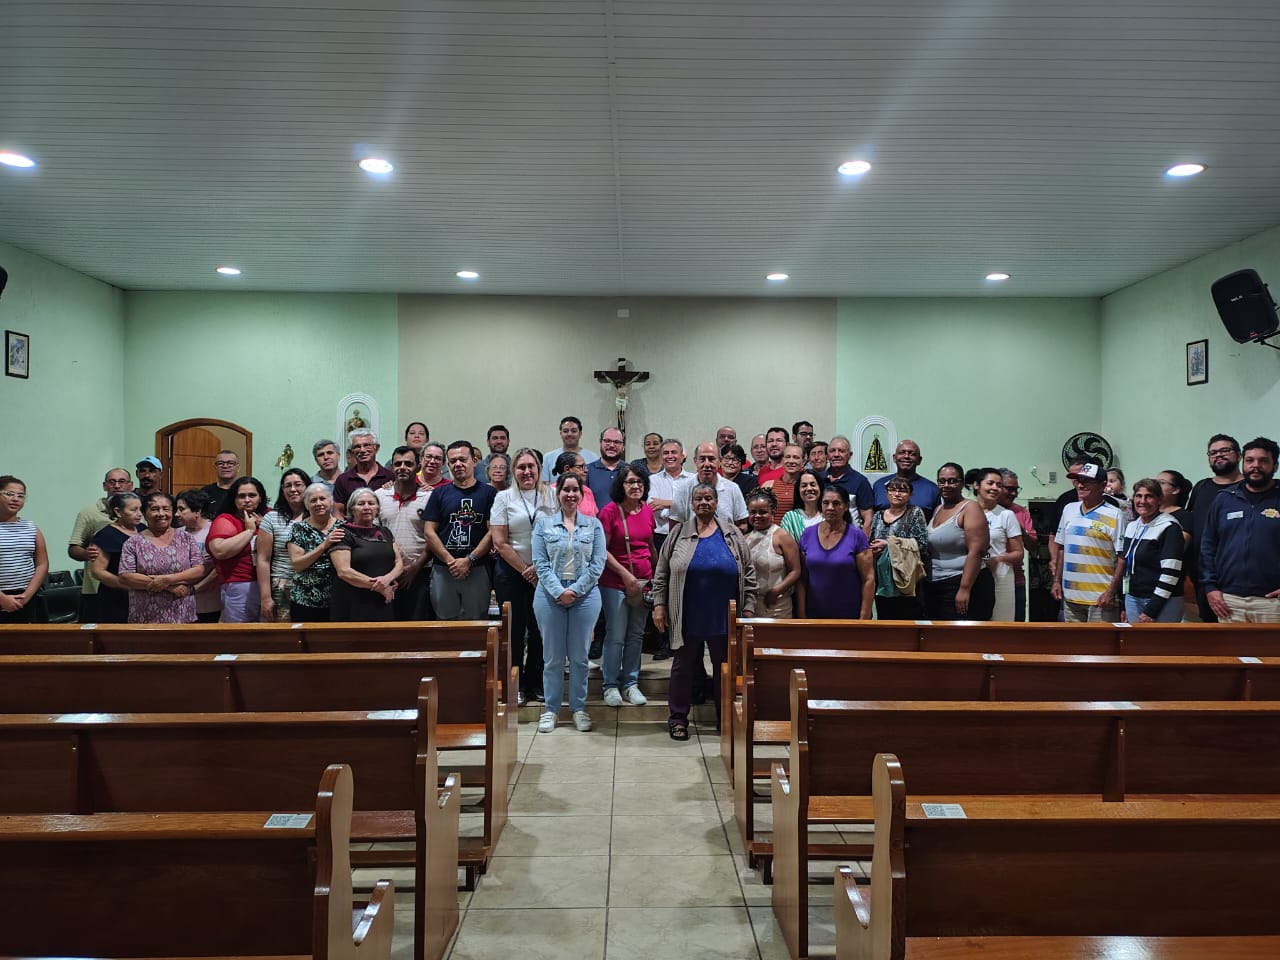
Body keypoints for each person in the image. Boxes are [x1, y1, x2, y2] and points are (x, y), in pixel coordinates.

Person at [652, 481, 756, 740]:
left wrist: (749, 611)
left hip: (725, 617)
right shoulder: (678, 535)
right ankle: (678, 718)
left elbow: (749, 574)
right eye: (698, 499)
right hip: (687, 614)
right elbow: (662, 573)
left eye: (708, 498)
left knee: (726, 670)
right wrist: (659, 605)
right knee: (682, 668)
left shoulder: (732, 534)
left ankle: (726, 719)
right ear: (691, 504)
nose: (704, 503)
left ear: (717, 502)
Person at [532, 472, 606, 733]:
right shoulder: (543, 525)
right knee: (552, 658)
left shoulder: (594, 525)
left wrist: (575, 590)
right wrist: (558, 591)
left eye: (576, 490)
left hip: (584, 595)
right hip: (549, 595)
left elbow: (598, 564)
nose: (571, 495)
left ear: (582, 494)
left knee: (579, 657)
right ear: (558, 493)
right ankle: (551, 709)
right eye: (566, 490)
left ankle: (578, 708)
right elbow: (540, 564)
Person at [491, 448, 557, 705]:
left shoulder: (551, 496)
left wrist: (539, 569)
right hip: (512, 572)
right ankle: (515, 685)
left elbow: (559, 532)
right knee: (514, 630)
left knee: (541, 629)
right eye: (521, 467)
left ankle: (536, 683)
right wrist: (525, 569)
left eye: (531, 466)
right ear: (513, 471)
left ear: (539, 469)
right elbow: (499, 540)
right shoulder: (503, 498)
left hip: (545, 571)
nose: (527, 472)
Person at [1200, 437, 1280, 623]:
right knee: (1233, 653)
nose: (1256, 465)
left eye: (1263, 461)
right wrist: (1210, 588)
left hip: (1272, 603)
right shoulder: (1224, 499)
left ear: (1275, 466)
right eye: (1250, 460)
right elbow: (1208, 547)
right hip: (1229, 601)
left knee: (1272, 653)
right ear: (1243, 462)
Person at [597, 465, 657, 708]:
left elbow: (650, 546)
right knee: (616, 635)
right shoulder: (610, 512)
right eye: (630, 482)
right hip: (615, 582)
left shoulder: (647, 512)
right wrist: (624, 575)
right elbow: (602, 550)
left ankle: (631, 683)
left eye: (640, 482)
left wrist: (657, 578)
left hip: (643, 582)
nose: (636, 486)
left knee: (636, 635)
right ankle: (610, 685)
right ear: (620, 485)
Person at [422, 441, 497, 620]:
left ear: (474, 460)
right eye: (453, 461)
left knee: (476, 624)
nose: (458, 464)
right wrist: (451, 561)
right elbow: (429, 531)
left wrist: (469, 560)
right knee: (445, 625)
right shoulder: (439, 494)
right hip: (444, 569)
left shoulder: (489, 493)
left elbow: (493, 531)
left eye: (463, 459)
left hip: (477, 568)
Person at [1052, 459, 1126, 623]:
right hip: (1070, 596)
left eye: (1087, 481)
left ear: (1102, 485)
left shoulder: (1115, 514)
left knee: (1099, 647)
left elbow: (1122, 557)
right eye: (1078, 481)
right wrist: (1056, 581)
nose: (1080, 485)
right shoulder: (1069, 509)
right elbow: (1062, 547)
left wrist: (1111, 591)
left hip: (1100, 598)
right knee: (1074, 646)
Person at [118, 491, 207, 623]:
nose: (161, 514)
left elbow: (199, 570)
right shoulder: (133, 542)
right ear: (144, 513)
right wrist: (168, 586)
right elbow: (126, 576)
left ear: (172, 512)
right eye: (154, 509)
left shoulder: (186, 538)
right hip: (145, 618)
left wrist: (169, 579)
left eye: (166, 509)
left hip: (183, 615)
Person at [1110, 478, 1186, 623]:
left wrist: (1152, 609)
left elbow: (1171, 573)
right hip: (1133, 598)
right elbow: (1128, 567)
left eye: (1149, 496)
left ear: (1159, 500)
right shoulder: (1132, 526)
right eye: (1138, 496)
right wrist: (1125, 604)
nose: (1142, 501)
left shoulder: (1170, 527)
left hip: (1162, 602)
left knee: (1159, 645)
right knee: (1136, 645)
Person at [1187, 434, 1244, 622]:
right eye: (1213, 452)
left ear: (1239, 455)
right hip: (1203, 577)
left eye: (1225, 451)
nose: (1218, 455)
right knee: (1212, 637)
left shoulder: (1249, 487)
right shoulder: (1201, 487)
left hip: (1238, 579)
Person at [926, 463, 994, 620]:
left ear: (962, 483)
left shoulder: (970, 508)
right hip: (936, 586)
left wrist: (965, 588)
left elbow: (977, 551)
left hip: (963, 584)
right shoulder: (938, 510)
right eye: (942, 481)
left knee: (962, 641)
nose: (946, 485)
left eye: (952, 481)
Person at [796, 484, 874, 619]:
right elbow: (802, 579)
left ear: (846, 506)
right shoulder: (808, 534)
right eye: (826, 503)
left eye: (836, 503)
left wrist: (864, 618)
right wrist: (802, 614)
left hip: (849, 614)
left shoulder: (857, 536)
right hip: (815, 613)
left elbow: (868, 579)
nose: (830, 508)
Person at [374, 446, 432, 620]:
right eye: (398, 463)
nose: (402, 467)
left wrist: (415, 567)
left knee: (418, 628)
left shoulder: (430, 497)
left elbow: (434, 537)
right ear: (392, 467)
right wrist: (393, 571)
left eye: (408, 463)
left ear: (418, 466)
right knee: (388, 629)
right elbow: (375, 535)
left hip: (421, 572)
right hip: (387, 573)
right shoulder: (379, 495)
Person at [330, 487, 404, 622]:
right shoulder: (342, 533)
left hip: (384, 599)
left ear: (377, 509)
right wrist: (379, 587)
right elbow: (343, 571)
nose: (366, 507)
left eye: (371, 503)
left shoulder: (385, 532)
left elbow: (399, 563)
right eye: (361, 503)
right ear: (352, 509)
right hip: (354, 601)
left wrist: (387, 580)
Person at [68, 467, 132, 622]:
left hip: (131, 589)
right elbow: (73, 548)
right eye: (112, 482)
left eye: (121, 481)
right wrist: (87, 554)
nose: (116, 485)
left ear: (130, 485)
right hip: (96, 589)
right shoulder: (89, 513)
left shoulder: (138, 514)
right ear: (105, 486)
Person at [206, 476, 269, 622]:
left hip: (269, 585)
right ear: (234, 499)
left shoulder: (268, 515)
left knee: (268, 636)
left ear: (260, 497)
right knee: (242, 638)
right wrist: (249, 531)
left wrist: (265, 525)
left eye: (252, 495)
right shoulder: (226, 519)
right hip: (240, 584)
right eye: (241, 496)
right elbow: (220, 551)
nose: (247, 500)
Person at [867, 477, 930, 620]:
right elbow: (870, 541)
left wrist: (888, 544)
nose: (897, 494)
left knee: (907, 618)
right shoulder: (878, 515)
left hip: (905, 576)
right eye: (893, 490)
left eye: (902, 490)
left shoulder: (914, 513)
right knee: (884, 619)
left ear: (910, 494)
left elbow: (921, 543)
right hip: (881, 578)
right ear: (887, 493)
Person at [256, 468, 309, 621]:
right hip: (281, 586)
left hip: (313, 586)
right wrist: (265, 597)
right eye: (288, 485)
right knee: (284, 638)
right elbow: (263, 559)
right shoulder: (272, 518)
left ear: (307, 487)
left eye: (298, 484)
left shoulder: (318, 516)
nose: (293, 489)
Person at [975, 468, 1024, 622]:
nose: (995, 488)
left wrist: (997, 560)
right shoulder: (966, 511)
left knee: (999, 625)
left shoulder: (1006, 515)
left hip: (1000, 576)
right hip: (972, 574)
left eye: (999, 485)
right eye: (990, 483)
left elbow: (1018, 553)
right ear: (977, 485)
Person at [288, 483, 343, 620]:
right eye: (313, 500)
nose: (318, 503)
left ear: (330, 501)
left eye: (322, 499)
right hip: (305, 600)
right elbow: (297, 564)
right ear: (306, 505)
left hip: (338, 599)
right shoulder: (298, 529)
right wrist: (324, 545)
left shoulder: (343, 527)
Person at [744, 488, 801, 618]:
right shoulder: (745, 539)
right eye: (753, 512)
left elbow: (796, 571)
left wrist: (776, 591)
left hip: (778, 605)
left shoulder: (782, 536)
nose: (757, 516)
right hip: (751, 607)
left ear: (773, 511)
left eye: (763, 512)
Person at [0, 476, 48, 624]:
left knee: (25, 644)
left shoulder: (31, 527)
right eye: (9, 494)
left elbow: (42, 564)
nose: (15, 499)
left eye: (21, 496)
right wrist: (2, 599)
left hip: (25, 596)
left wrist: (26, 595)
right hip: (2, 596)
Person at [671, 441, 749, 531]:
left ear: (719, 461)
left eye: (711, 459)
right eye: (702, 459)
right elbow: (674, 527)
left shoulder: (732, 489)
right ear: (695, 461)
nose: (707, 464)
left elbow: (742, 524)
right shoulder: (683, 489)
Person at [90, 491, 143, 623]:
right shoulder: (106, 534)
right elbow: (98, 571)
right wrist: (126, 584)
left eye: (140, 509)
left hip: (143, 595)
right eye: (133, 510)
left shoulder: (144, 530)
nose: (139, 514)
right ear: (118, 512)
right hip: (115, 597)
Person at [997, 469, 1038, 622]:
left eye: (1016, 489)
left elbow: (1033, 546)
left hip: (1016, 581)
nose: (1014, 494)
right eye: (1009, 489)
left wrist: (1021, 532)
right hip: (989, 578)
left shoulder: (1021, 512)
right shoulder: (982, 511)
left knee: (1016, 626)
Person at [175, 488, 222, 622]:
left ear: (198, 511)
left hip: (209, 604)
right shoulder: (176, 533)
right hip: (180, 603)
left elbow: (218, 567)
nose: (176, 514)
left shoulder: (215, 531)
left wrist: (196, 588)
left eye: (182, 509)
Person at [872, 440, 941, 519]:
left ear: (919, 460)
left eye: (912, 454)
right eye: (902, 452)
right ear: (894, 458)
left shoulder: (931, 489)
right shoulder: (879, 485)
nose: (906, 456)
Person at [333, 429, 394, 515]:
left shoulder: (390, 477)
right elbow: (338, 512)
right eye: (357, 446)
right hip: (351, 528)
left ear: (376, 448)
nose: (362, 450)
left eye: (366, 445)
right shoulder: (343, 480)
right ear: (352, 451)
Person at [821, 436, 875, 531]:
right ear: (827, 455)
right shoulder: (819, 480)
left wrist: (863, 542)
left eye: (841, 451)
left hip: (850, 540)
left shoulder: (860, 481)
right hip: (822, 537)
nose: (836, 454)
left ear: (850, 455)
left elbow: (868, 516)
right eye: (832, 451)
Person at [540, 415, 600, 483]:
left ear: (580, 434)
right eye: (565, 431)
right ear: (561, 434)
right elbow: (544, 486)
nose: (569, 434)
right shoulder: (548, 458)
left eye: (574, 431)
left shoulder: (593, 457)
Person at [761, 443, 805, 523]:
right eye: (787, 457)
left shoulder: (806, 487)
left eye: (796, 457)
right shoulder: (768, 485)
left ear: (803, 461)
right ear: (782, 460)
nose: (791, 461)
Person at [585, 427, 627, 505]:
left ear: (623, 446)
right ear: (600, 443)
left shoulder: (631, 471)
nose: (611, 445)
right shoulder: (586, 471)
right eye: (607, 441)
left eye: (617, 442)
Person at [781, 468, 824, 542]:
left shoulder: (829, 515)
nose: (809, 488)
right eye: (804, 485)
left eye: (813, 485)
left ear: (820, 488)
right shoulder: (790, 517)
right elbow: (787, 547)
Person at [201, 450, 240, 518]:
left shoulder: (244, 491)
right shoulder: (205, 492)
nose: (225, 466)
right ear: (215, 467)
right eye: (220, 463)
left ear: (238, 467)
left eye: (230, 463)